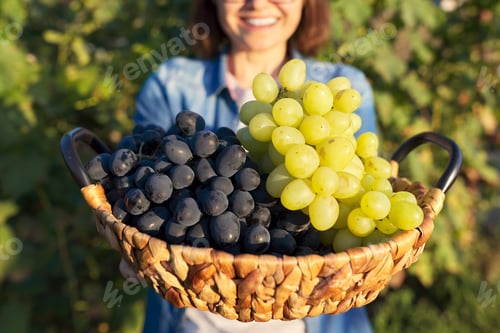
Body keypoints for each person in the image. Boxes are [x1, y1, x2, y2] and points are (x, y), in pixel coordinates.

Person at [124, 0, 376, 332]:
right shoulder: (169, 84)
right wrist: (132, 244)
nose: (257, 3)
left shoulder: (343, 86)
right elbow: (136, 193)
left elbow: (366, 193)